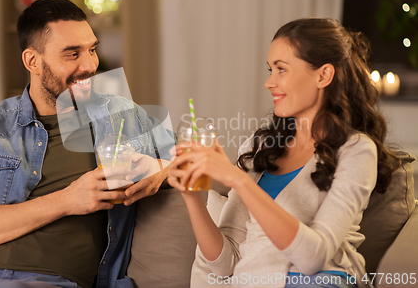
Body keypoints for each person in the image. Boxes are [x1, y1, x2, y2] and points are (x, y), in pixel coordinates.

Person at [0, 0, 174, 288]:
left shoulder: (118, 115)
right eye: (72, 54)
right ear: (32, 61)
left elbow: (199, 156)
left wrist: (161, 167)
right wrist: (67, 200)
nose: (90, 65)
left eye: (92, 50)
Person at [168, 18, 400, 288]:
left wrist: (237, 180)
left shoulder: (356, 151)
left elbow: (313, 259)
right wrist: (193, 200)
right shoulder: (260, 150)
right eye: (270, 70)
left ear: (323, 75)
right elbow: (224, 264)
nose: (269, 82)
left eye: (281, 70)